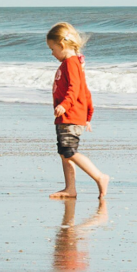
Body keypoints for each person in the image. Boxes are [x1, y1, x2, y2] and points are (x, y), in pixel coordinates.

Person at [46, 22, 109, 199]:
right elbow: (85, 91)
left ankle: (100, 176)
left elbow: (74, 89)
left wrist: (65, 105)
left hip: (70, 116)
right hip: (67, 117)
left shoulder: (71, 63)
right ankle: (70, 189)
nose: (52, 53)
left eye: (52, 49)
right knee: (64, 154)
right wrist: (88, 115)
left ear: (62, 45)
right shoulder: (73, 63)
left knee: (69, 151)